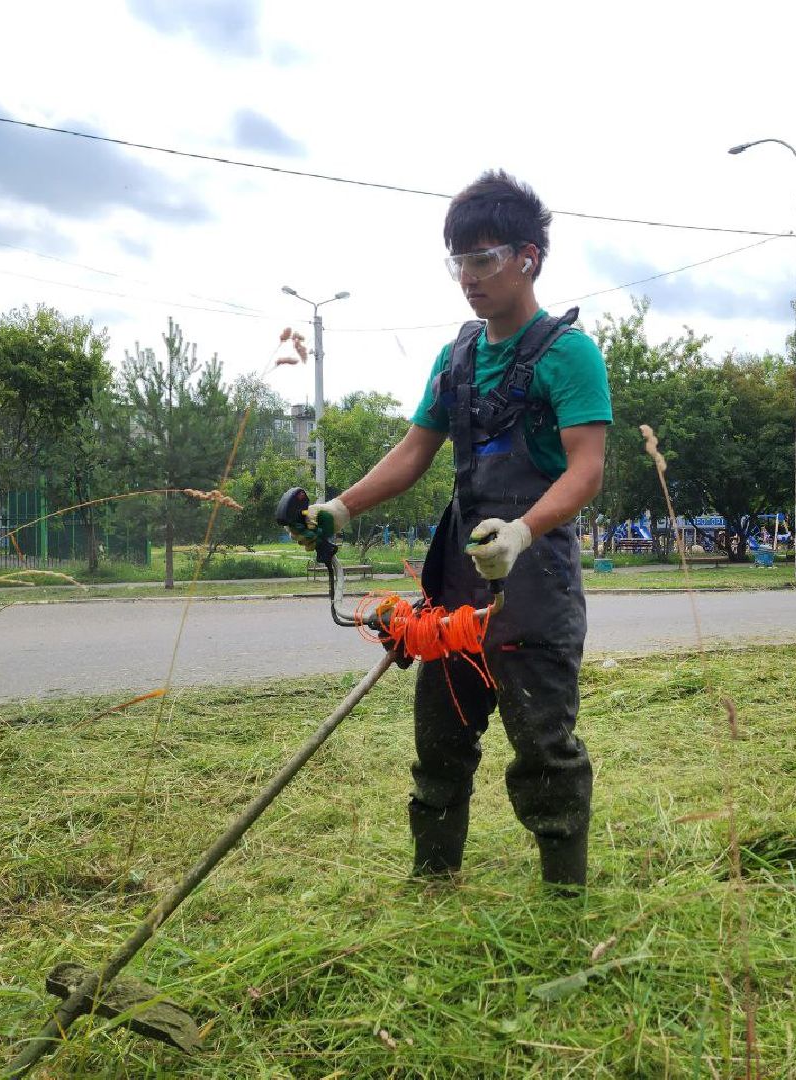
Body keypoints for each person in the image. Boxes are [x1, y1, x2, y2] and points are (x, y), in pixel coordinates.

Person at [295, 170, 611, 891]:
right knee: (438, 744)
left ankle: (564, 901)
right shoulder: (457, 358)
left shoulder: (569, 354)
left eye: (483, 259)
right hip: (458, 583)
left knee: (543, 748)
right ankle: (433, 884)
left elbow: (585, 470)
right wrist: (338, 508)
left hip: (533, 580)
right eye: (458, 262)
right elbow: (413, 453)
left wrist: (524, 533)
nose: (468, 278)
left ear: (528, 257)